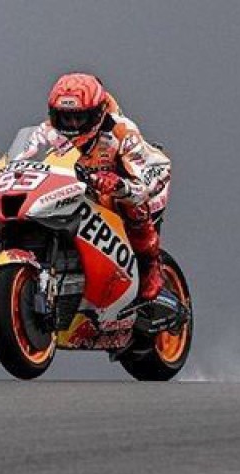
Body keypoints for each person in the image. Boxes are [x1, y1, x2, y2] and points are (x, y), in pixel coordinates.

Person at [43, 72, 172, 302]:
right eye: (65, 118)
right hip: (83, 192)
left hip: (141, 182)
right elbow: (24, 159)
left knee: (130, 204)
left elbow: (144, 179)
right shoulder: (46, 133)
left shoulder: (122, 131)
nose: (72, 125)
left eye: (79, 118)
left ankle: (149, 266)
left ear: (97, 114)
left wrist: (120, 184)